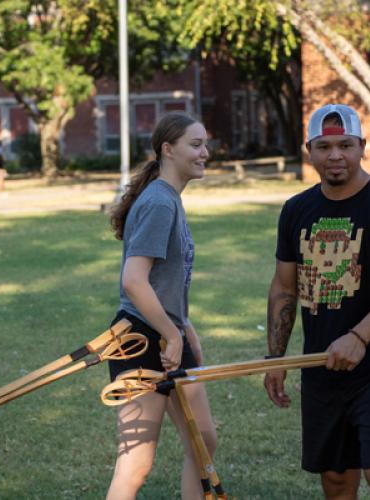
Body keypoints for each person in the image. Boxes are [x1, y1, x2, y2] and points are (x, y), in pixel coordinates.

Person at [264, 104, 370, 499]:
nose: (335, 155)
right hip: (321, 367)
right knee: (337, 482)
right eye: (324, 146)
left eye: (345, 145)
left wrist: (360, 335)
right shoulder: (296, 210)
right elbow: (285, 288)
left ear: (362, 147)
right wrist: (277, 359)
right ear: (310, 150)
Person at [106, 113, 217, 500]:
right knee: (135, 464)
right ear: (168, 149)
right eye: (196, 144)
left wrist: (185, 328)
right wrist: (171, 334)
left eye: (205, 144)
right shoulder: (159, 202)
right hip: (138, 338)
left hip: (169, 333)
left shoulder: (167, 198)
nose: (205, 153)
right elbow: (134, 280)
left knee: (203, 441)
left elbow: (163, 282)